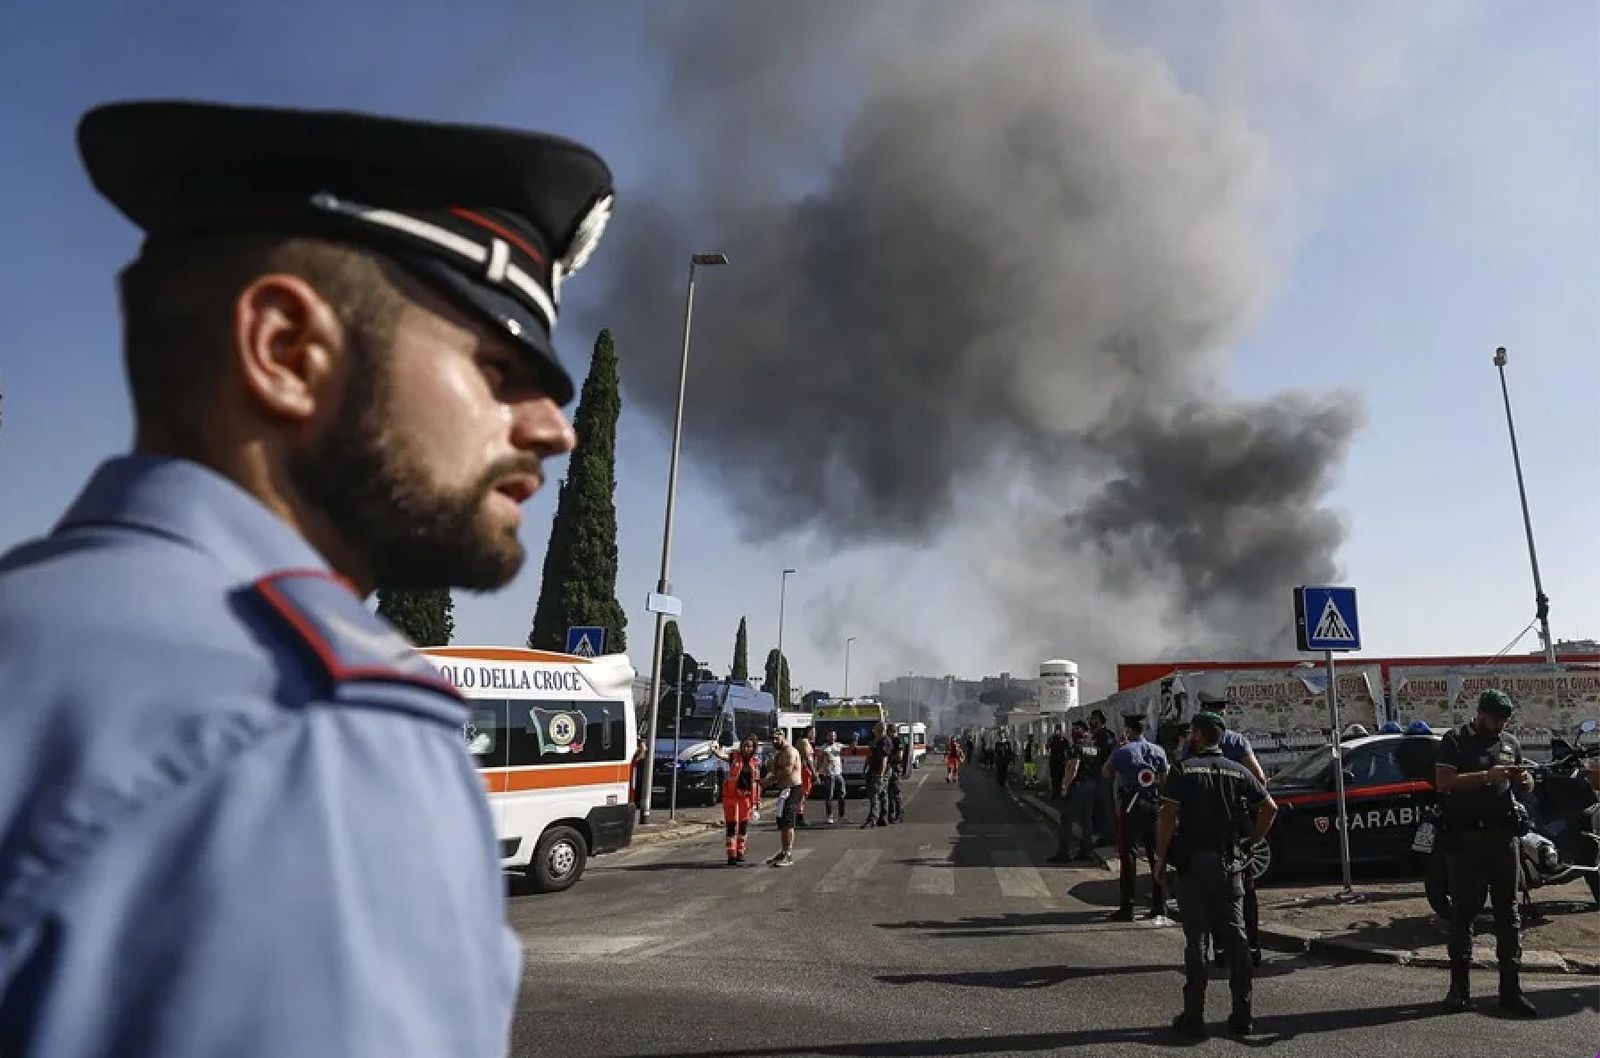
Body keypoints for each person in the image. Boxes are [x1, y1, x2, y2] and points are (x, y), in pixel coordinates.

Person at [0, 99, 614, 1056]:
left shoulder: (33, 626)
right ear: (288, 351)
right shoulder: (311, 731)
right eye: (499, 368)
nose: (552, 429)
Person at [1154, 711, 1277, 1040]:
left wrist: (1160, 857)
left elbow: (1167, 814)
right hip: (1231, 866)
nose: (1187, 738)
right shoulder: (1238, 770)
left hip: (1193, 865)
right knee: (1237, 939)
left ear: (1197, 734)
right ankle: (1243, 1015)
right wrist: (1252, 842)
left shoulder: (1183, 769)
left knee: (1197, 940)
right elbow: (1270, 808)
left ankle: (1194, 1016)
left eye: (1190, 733)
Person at [1434, 689, 1538, 1017]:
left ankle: (1510, 991)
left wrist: (1525, 780)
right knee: (1464, 912)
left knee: (1509, 913)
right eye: (1495, 719)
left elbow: (1523, 786)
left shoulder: (1509, 743)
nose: (1500, 725)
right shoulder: (1455, 740)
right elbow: (1444, 782)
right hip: (1466, 838)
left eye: (1504, 720)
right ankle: (1459, 990)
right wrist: (1485, 777)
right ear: (1480, 713)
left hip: (1503, 838)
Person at [1177, 718, 1268, 966]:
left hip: (1202, 829)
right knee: (1244, 890)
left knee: (1210, 893)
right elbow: (1260, 780)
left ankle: (1220, 951)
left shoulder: (1192, 748)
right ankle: (1252, 947)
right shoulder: (1238, 742)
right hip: (1235, 825)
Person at [1105, 715, 1170, 922]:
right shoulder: (1158, 750)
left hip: (1131, 804)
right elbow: (1165, 777)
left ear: (1128, 730)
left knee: (1129, 854)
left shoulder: (1123, 751)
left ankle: (1127, 907)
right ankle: (1160, 905)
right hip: (1153, 803)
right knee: (1155, 854)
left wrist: (1116, 749)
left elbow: (1106, 773)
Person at [709, 737, 764, 865]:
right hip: (731, 797)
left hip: (746, 798)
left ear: (753, 748)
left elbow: (757, 783)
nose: (746, 748)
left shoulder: (755, 762)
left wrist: (757, 801)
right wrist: (715, 751)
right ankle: (731, 854)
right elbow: (723, 756)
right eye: (744, 745)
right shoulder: (734, 757)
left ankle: (740, 852)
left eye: (749, 746)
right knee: (732, 825)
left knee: (743, 826)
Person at [762, 730, 803, 866]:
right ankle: (784, 851)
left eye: (776, 738)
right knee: (783, 822)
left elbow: (787, 770)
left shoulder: (790, 751)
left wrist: (770, 781)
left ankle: (788, 854)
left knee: (788, 823)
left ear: (783, 737)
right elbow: (773, 770)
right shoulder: (779, 753)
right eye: (772, 739)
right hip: (784, 791)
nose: (774, 741)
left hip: (792, 789)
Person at [1087, 709, 1119, 847]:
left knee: (1101, 807)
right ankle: (1107, 835)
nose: (1090, 721)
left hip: (1100, 775)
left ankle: (1104, 836)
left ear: (1098, 720)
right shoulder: (1109, 734)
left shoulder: (1100, 735)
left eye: (1092, 718)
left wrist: (1084, 747)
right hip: (1106, 774)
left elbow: (1097, 752)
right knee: (1105, 806)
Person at [860, 722, 894, 828]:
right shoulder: (876, 741)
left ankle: (873, 819)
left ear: (880, 730)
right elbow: (869, 755)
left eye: (876, 730)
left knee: (875, 793)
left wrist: (881, 775)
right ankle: (882, 818)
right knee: (882, 794)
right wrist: (865, 768)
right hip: (873, 769)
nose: (874, 731)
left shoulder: (885, 741)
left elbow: (884, 759)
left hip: (880, 770)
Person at [816, 729, 847, 823]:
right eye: (830, 736)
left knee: (842, 794)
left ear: (836, 737)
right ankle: (829, 816)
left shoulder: (839, 745)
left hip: (838, 773)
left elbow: (850, 748)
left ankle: (841, 816)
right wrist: (817, 772)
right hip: (829, 775)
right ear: (827, 737)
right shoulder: (823, 748)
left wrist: (855, 740)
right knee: (829, 795)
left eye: (833, 736)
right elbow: (819, 761)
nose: (832, 737)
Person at [794, 725, 816, 828]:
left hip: (802, 769)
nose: (815, 735)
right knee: (803, 793)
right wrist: (814, 771)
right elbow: (808, 758)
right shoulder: (805, 742)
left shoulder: (801, 741)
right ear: (809, 733)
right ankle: (799, 816)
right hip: (804, 770)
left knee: (801, 793)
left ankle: (798, 815)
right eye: (813, 732)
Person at [1047, 724, 1071, 798]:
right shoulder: (1051, 739)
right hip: (1053, 760)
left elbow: (1067, 750)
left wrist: (1066, 759)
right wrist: (1050, 740)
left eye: (1059, 730)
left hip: (1061, 761)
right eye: (1056, 730)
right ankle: (1054, 792)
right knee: (1054, 777)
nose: (1058, 732)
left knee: (1060, 776)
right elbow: (1047, 747)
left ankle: (1059, 792)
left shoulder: (1064, 740)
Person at [886, 738, 906, 823]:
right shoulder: (889, 740)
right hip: (890, 769)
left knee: (896, 793)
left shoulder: (898, 741)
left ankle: (899, 814)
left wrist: (889, 759)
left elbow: (899, 756)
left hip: (895, 769)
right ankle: (891, 815)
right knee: (889, 794)